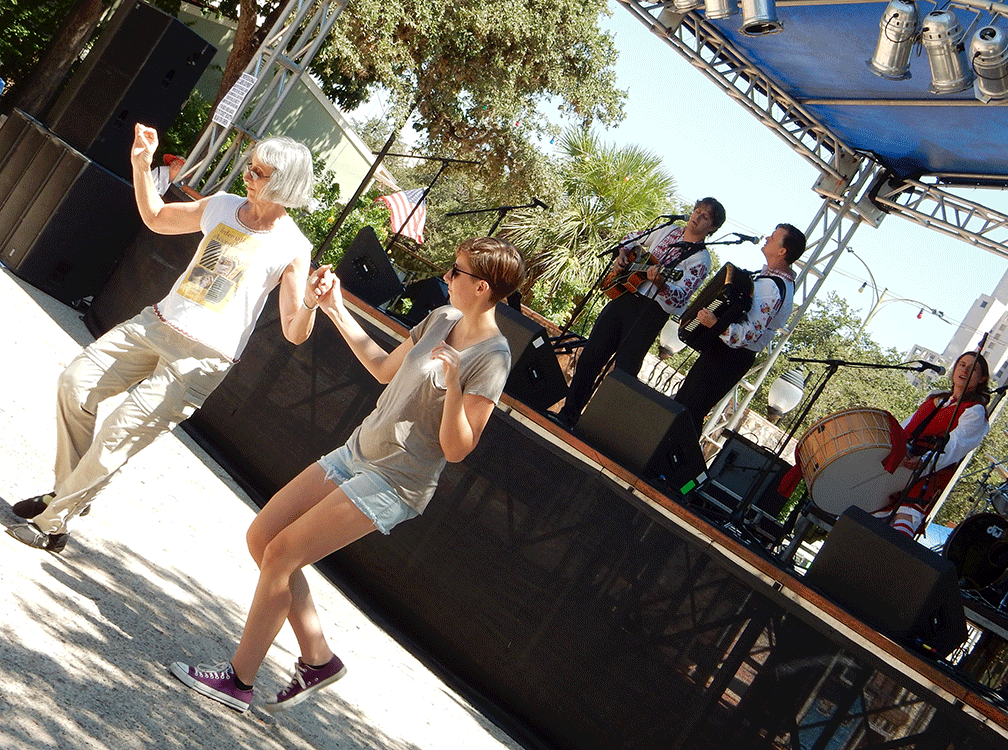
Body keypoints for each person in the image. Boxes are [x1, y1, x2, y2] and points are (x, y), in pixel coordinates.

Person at [169, 236, 525, 714]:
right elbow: (382, 368)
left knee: (281, 554)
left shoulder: (493, 358)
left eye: (455, 271)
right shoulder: (442, 318)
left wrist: (456, 387)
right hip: (358, 451)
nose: (446, 277)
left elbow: (457, 449)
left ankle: (239, 680)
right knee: (263, 538)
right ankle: (317, 658)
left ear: (481, 287)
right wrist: (335, 308)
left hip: (396, 480)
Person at [7, 124, 331, 552]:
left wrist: (310, 302)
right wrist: (141, 165)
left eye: (259, 172)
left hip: (202, 359)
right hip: (155, 324)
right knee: (75, 384)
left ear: (285, 183)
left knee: (117, 436)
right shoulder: (222, 205)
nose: (247, 176)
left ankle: (53, 524)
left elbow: (294, 330)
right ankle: (69, 493)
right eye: (249, 167)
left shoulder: (293, 246)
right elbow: (157, 217)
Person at [553, 198, 726, 428]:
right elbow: (631, 238)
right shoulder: (668, 230)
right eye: (697, 211)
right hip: (626, 295)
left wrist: (661, 284)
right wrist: (623, 254)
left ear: (712, 227)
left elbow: (681, 297)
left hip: (650, 313)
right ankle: (568, 415)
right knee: (591, 356)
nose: (697, 217)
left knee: (623, 373)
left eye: (705, 216)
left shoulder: (700, 259)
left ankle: (596, 428)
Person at [673, 222, 807, 433]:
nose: (767, 238)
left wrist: (715, 325)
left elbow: (750, 334)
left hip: (729, 356)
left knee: (688, 410)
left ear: (782, 251)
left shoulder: (771, 287)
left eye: (773, 237)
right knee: (686, 408)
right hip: (731, 356)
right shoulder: (780, 283)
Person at [875, 351, 990, 537]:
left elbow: (954, 446)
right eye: (962, 365)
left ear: (982, 378)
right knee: (864, 525)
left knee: (898, 534)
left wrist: (923, 462)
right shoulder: (935, 400)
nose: (965, 370)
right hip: (899, 468)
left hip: (928, 477)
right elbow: (903, 429)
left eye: (973, 368)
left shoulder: (975, 411)